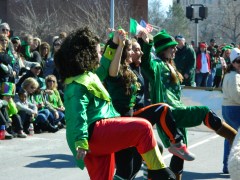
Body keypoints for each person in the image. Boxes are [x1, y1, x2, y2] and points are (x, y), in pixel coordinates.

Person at [54, 26, 176, 180]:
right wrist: (81, 141)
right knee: (143, 127)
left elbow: (105, 65)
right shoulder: (77, 84)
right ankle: (159, 172)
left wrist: (113, 43)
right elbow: (76, 115)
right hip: (93, 134)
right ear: (87, 55)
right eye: (98, 52)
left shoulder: (89, 75)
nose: (100, 55)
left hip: (93, 138)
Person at [138, 29, 237, 180]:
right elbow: (145, 63)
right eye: (172, 47)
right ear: (163, 50)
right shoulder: (156, 66)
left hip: (178, 111)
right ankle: (234, 137)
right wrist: (146, 42)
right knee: (204, 112)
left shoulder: (171, 65)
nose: (175, 49)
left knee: (180, 155)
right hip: (169, 113)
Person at [221, 48, 240, 174]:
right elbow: (236, 94)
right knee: (236, 138)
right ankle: (231, 165)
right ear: (233, 63)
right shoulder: (234, 76)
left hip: (228, 107)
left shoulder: (228, 75)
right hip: (234, 108)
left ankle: (227, 165)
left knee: (230, 137)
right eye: (238, 61)